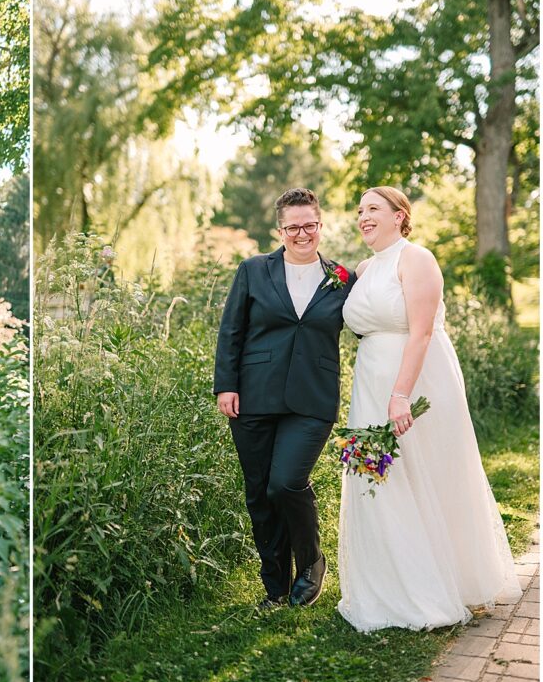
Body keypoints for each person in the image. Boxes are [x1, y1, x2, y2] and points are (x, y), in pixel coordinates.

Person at [336, 186, 519, 632]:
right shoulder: (362, 268)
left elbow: (419, 334)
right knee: (375, 475)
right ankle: (385, 584)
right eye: (360, 211)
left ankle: (441, 583)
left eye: (374, 209)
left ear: (400, 215)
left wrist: (400, 395)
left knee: (426, 475)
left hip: (412, 383)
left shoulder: (417, 259)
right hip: (368, 382)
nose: (364, 217)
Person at [214, 187, 355, 609]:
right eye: (292, 227)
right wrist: (226, 384)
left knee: (287, 482)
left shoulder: (342, 278)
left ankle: (311, 563)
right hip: (253, 397)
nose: (301, 233)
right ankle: (275, 587)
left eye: (308, 224)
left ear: (320, 225)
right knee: (259, 492)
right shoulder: (254, 270)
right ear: (280, 229)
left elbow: (372, 318)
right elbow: (231, 330)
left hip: (312, 398)